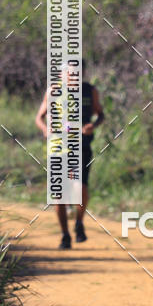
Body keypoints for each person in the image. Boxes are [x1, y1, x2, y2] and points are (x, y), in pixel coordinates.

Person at [35, 59, 104, 249]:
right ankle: (65, 235)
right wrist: (45, 129)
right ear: (63, 73)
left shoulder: (90, 91)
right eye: (71, 72)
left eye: (78, 72)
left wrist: (92, 126)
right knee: (59, 194)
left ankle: (79, 222)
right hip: (58, 149)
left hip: (81, 146)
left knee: (79, 187)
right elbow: (40, 117)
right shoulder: (54, 91)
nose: (74, 76)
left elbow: (100, 114)